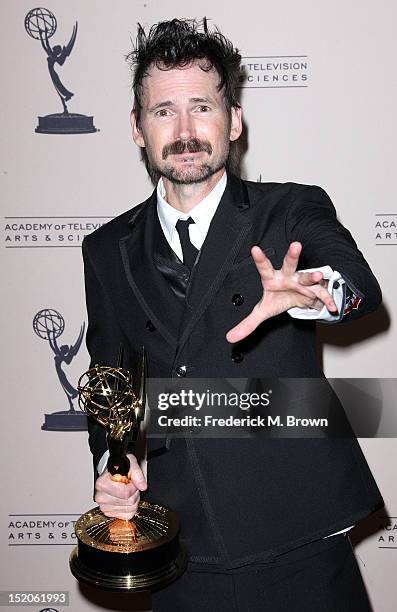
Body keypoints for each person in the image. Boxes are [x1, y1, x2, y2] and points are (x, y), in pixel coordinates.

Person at [82, 18, 384, 611]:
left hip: (297, 535)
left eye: (203, 106)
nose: (186, 130)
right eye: (164, 111)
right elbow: (109, 381)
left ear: (235, 121)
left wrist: (317, 291)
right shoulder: (105, 249)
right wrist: (116, 462)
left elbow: (362, 291)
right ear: (139, 130)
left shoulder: (290, 209)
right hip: (178, 545)